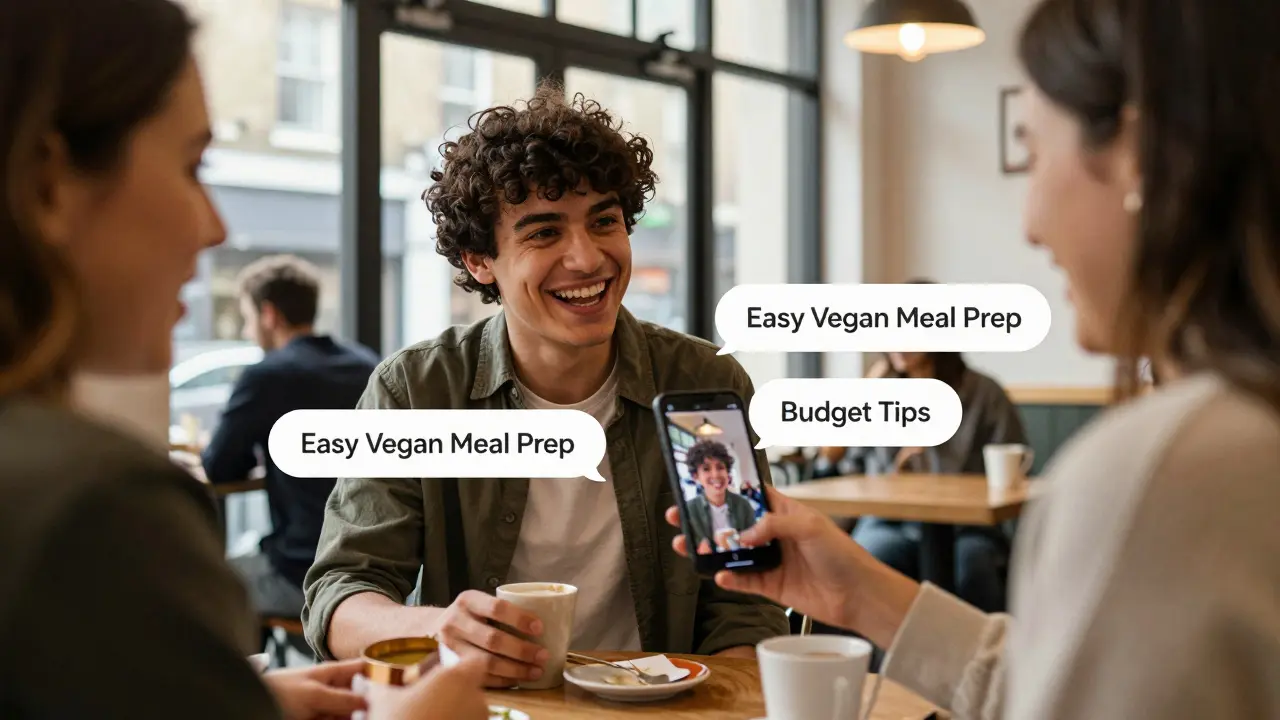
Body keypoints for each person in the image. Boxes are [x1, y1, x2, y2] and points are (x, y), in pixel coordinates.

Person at [668, 0, 1280, 716]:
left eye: (1032, 154)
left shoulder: (1162, 469)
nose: (1029, 223)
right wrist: (857, 592)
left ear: (1137, 156)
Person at [0, 1, 487, 717]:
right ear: (48, 185)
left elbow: (225, 469)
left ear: (265, 315)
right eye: (192, 164)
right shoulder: (95, 506)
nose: (214, 224)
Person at [304, 83, 788, 686]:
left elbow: (744, 598)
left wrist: (718, 703)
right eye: (543, 233)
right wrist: (438, 629)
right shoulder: (419, 392)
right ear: (480, 261)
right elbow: (342, 591)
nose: (587, 259)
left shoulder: (703, 383)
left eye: (604, 221)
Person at [202, 254, 378, 624]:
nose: (248, 332)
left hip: (303, 571)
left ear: (269, 315)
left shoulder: (268, 375)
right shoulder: (366, 364)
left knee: (200, 584)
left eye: (248, 320)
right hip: (377, 568)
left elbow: (218, 466)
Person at [815, 346, 1026, 613]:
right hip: (889, 522)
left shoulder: (984, 393)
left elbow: (1013, 468)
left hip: (968, 527)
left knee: (973, 566)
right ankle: (885, 656)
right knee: (868, 560)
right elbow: (839, 460)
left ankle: (984, 654)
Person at [683, 439, 758, 553]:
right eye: (706, 469)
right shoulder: (689, 510)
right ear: (696, 477)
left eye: (720, 467)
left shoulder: (743, 505)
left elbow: (756, 543)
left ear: (728, 473)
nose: (715, 474)